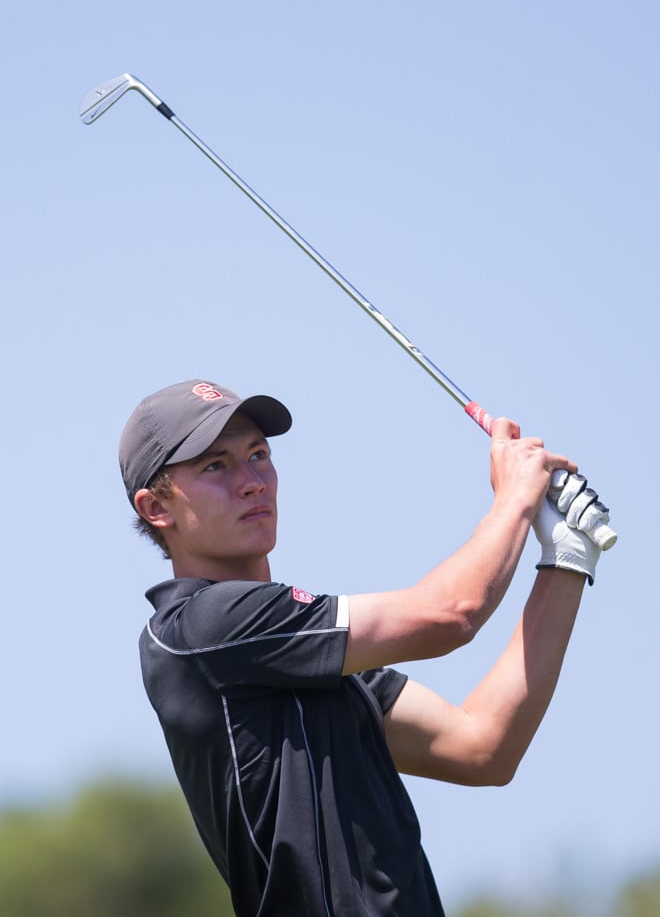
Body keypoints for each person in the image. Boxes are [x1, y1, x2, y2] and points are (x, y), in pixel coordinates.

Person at [119, 378, 612, 917]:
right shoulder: (201, 625)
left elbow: (482, 748)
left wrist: (566, 560)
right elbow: (452, 613)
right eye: (217, 466)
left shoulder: (313, 657)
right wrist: (516, 498)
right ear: (155, 507)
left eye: (259, 454)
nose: (253, 481)